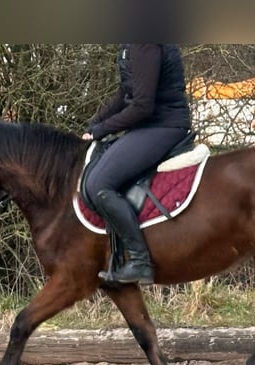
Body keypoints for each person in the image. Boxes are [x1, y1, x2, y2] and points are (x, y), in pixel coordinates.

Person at [83, 44, 193, 285]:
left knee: (100, 183)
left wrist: (102, 130)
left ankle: (140, 261)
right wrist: (94, 125)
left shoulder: (146, 44)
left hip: (163, 126)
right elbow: (125, 95)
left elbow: (142, 105)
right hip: (147, 126)